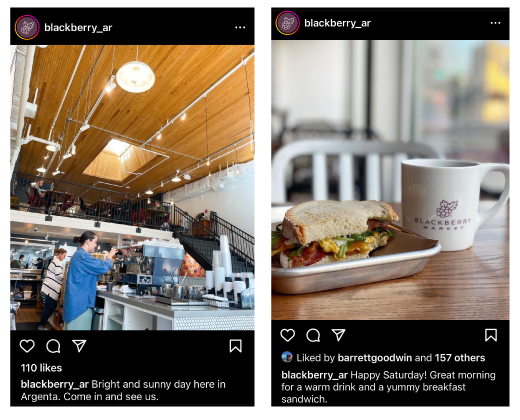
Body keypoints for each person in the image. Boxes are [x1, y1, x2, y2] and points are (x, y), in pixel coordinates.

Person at [63, 231, 117, 330]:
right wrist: (110, 255)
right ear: (88, 241)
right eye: (95, 242)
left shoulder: (79, 254)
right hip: (80, 304)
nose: (95, 245)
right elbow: (103, 267)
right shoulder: (82, 255)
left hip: (76, 301)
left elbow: (93, 272)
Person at [38, 249, 67, 330]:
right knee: (48, 307)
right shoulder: (58, 262)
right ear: (60, 254)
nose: (64, 258)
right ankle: (41, 326)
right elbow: (58, 275)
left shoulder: (54, 261)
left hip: (49, 287)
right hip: (51, 288)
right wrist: (65, 277)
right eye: (64, 255)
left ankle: (43, 323)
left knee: (53, 306)